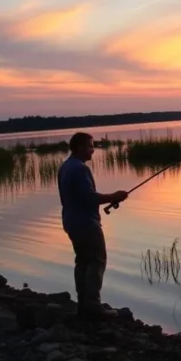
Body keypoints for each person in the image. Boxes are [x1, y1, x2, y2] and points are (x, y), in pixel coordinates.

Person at [57, 132, 129, 321]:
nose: (93, 150)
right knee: (97, 260)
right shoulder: (80, 169)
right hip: (85, 223)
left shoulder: (65, 167)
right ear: (80, 147)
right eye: (90, 146)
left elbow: (76, 198)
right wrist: (112, 196)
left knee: (82, 261)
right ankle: (93, 305)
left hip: (71, 221)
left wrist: (109, 199)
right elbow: (88, 197)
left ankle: (83, 304)